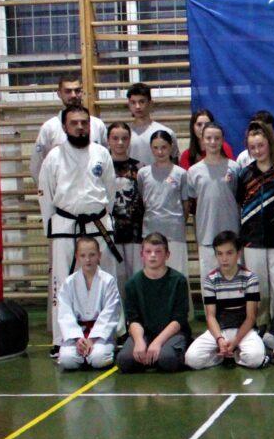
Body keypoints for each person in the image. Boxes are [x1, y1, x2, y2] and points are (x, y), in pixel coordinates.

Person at [38, 104, 115, 353]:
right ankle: (61, 339)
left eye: (84, 122)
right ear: (64, 127)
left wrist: (104, 218)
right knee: (62, 283)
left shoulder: (101, 153)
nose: (80, 127)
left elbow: (110, 191)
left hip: (97, 224)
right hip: (65, 225)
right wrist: (51, 228)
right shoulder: (53, 157)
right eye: (74, 123)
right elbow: (46, 194)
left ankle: (109, 336)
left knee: (105, 280)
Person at [185, 231, 266, 370]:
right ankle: (224, 355)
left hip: (244, 330)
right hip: (220, 330)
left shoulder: (250, 278)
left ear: (238, 254)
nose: (224, 258)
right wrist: (219, 339)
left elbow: (251, 317)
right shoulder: (210, 280)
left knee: (255, 359)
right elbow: (210, 316)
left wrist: (235, 342)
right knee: (191, 359)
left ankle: (234, 353)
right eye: (220, 254)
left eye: (229, 253)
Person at [236, 121, 274, 325]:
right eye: (253, 147)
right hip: (252, 240)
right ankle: (259, 324)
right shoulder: (245, 174)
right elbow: (240, 204)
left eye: (261, 145)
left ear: (270, 144)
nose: (257, 150)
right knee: (258, 285)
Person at [117, 233, 190, 373]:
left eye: (158, 252)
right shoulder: (132, 284)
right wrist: (139, 341)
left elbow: (179, 319)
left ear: (167, 255)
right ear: (142, 255)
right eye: (148, 251)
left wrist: (157, 342)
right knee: (125, 361)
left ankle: (157, 355)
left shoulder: (178, 281)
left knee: (167, 360)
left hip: (172, 334)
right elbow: (133, 319)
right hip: (145, 333)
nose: (152, 256)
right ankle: (150, 356)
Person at [185, 122, 241, 291]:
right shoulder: (193, 171)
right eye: (208, 138)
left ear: (222, 140)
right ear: (202, 140)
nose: (212, 142)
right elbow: (191, 202)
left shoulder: (234, 167)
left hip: (231, 233)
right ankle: (211, 309)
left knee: (234, 283)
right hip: (207, 235)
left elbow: (239, 199)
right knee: (209, 284)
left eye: (217, 138)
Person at [55, 237, 120, 371]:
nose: (88, 259)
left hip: (101, 335)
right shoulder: (69, 283)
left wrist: (92, 339)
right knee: (67, 360)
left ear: (99, 256)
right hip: (76, 335)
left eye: (92, 255)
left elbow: (110, 312)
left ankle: (89, 355)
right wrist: (78, 338)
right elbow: (65, 314)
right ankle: (83, 352)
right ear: (77, 257)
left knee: (98, 358)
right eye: (83, 255)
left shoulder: (108, 281)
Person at [29, 74, 107, 183]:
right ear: (59, 94)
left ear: (82, 92)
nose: (73, 95)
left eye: (77, 91)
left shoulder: (97, 125)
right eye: (68, 91)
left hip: (93, 189)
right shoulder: (49, 128)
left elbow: (107, 160)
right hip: (61, 191)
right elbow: (37, 166)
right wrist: (49, 191)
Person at [137, 131, 190, 280]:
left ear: (171, 147)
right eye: (156, 148)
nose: (160, 152)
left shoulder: (181, 173)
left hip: (175, 231)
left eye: (164, 147)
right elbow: (141, 201)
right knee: (152, 274)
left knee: (178, 274)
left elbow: (186, 203)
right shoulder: (143, 173)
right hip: (150, 230)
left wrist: (178, 221)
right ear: (151, 148)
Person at [106, 121, 142, 289]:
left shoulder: (139, 168)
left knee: (137, 277)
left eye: (124, 138)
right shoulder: (102, 167)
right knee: (115, 279)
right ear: (108, 140)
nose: (120, 142)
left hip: (135, 232)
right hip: (109, 232)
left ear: (129, 140)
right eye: (115, 138)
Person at [126, 82, 178, 166]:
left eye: (142, 101)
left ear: (150, 103)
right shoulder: (124, 134)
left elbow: (175, 165)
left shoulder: (166, 132)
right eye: (133, 102)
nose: (137, 106)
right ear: (129, 105)